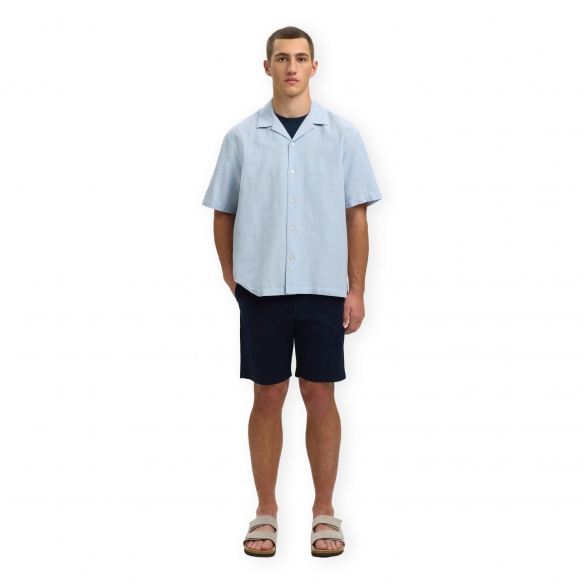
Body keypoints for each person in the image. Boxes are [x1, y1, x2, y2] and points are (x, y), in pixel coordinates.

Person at [202, 26, 382, 558]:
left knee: (320, 395)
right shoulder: (241, 137)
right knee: (267, 395)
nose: (291, 67)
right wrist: (233, 277)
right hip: (261, 290)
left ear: (314, 67)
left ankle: (325, 511)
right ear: (267, 67)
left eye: (301, 58)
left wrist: (357, 289)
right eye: (282, 58)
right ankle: (266, 510)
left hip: (323, 288)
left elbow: (356, 216)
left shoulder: (343, 135)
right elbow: (223, 213)